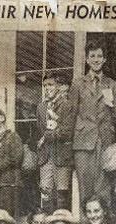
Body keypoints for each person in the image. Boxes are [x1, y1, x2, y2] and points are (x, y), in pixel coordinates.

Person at [59, 39, 116, 207]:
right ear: (86, 59)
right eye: (92, 56)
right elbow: (70, 116)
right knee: (85, 190)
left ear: (105, 59)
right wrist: (68, 145)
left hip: (104, 142)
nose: (96, 59)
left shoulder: (112, 85)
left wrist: (111, 106)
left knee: (104, 189)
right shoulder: (78, 84)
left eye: (99, 56)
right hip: (82, 143)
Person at [36, 72, 74, 212]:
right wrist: (45, 138)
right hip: (46, 156)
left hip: (62, 156)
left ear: (58, 86)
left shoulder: (66, 105)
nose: (47, 88)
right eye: (45, 85)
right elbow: (39, 131)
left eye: (50, 84)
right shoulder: (41, 107)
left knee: (61, 195)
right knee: (45, 195)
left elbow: (67, 132)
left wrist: (47, 136)